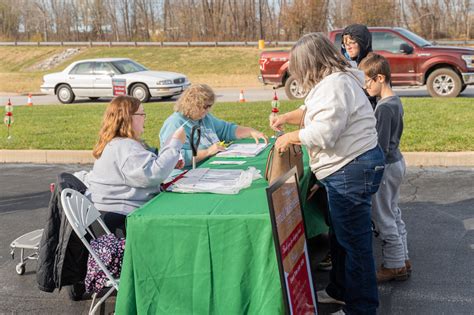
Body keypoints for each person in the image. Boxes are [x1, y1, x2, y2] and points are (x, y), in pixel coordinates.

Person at [271, 33, 384, 314]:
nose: (296, 73)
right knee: (342, 236)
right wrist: (287, 118)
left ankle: (361, 308)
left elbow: (325, 132)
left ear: (310, 63)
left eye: (298, 66)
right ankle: (340, 290)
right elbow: (311, 110)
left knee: (355, 244)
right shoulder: (334, 80)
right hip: (351, 167)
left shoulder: (335, 85)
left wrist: (291, 137)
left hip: (350, 169)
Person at [87, 95, 185, 237]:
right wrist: (175, 143)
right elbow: (152, 175)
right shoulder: (125, 146)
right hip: (119, 223)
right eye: (141, 113)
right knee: (177, 225)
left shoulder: (118, 143)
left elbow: (143, 169)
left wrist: (169, 161)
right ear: (129, 117)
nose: (145, 117)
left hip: (108, 217)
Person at [359, 53, 410, 282]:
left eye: (367, 81)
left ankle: (394, 265)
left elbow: (379, 146)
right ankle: (403, 258)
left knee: (383, 216)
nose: (364, 86)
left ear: (380, 78)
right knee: (393, 212)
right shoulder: (394, 101)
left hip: (386, 167)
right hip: (397, 163)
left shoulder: (383, 109)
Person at [160, 84, 268, 167]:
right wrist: (207, 152)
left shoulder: (205, 118)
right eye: (205, 106)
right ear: (192, 105)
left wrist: (251, 131)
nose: (208, 110)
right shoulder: (175, 124)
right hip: (183, 178)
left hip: (209, 170)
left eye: (210, 106)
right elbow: (174, 157)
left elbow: (227, 129)